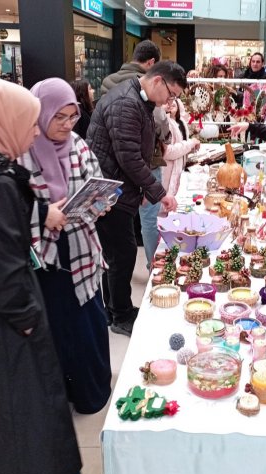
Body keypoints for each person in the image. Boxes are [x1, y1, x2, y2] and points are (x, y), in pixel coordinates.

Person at [0, 78, 82, 474]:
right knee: (22, 416)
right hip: (7, 328)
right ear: (2, 123)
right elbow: (2, 269)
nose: (35, 132)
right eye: (28, 123)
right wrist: (30, 319)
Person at [20, 77, 111, 414]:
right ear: (41, 113)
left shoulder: (78, 145)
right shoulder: (23, 149)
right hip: (46, 258)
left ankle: (92, 393)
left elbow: (96, 180)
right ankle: (61, 396)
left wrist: (103, 202)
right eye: (59, 116)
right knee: (59, 330)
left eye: (72, 116)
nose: (67, 124)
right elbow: (11, 203)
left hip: (83, 248)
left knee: (89, 325)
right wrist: (43, 214)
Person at [87, 61, 183, 337]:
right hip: (109, 192)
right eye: (171, 94)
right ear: (157, 81)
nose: (169, 101)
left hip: (118, 188)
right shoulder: (126, 103)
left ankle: (115, 309)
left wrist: (143, 191)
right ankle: (120, 314)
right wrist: (158, 192)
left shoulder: (136, 99)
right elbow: (128, 158)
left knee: (117, 253)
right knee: (122, 253)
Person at [140, 97, 200, 267]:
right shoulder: (160, 122)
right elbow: (168, 152)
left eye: (174, 100)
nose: (171, 103)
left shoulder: (177, 122)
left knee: (162, 218)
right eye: (168, 100)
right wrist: (190, 144)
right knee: (153, 222)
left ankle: (161, 261)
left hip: (169, 177)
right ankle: (154, 263)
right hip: (161, 176)